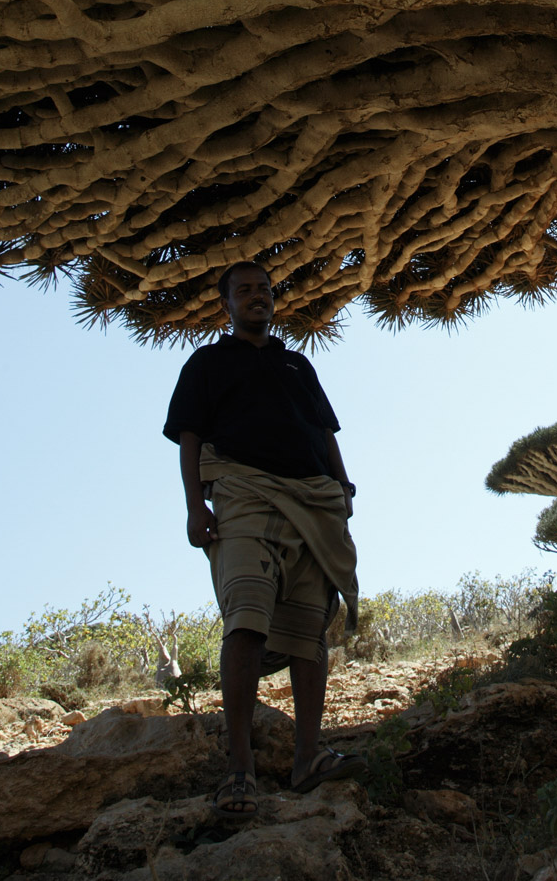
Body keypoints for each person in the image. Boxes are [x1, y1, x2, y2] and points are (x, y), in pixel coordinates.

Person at [163, 260, 363, 816]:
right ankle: (239, 768)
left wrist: (342, 488)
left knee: (308, 630)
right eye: (245, 290)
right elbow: (188, 436)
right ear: (226, 304)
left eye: (265, 289)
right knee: (247, 617)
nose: (258, 296)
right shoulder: (206, 363)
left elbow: (324, 430)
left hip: (313, 501)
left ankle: (308, 757)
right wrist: (194, 505)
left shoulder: (297, 365)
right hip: (243, 494)